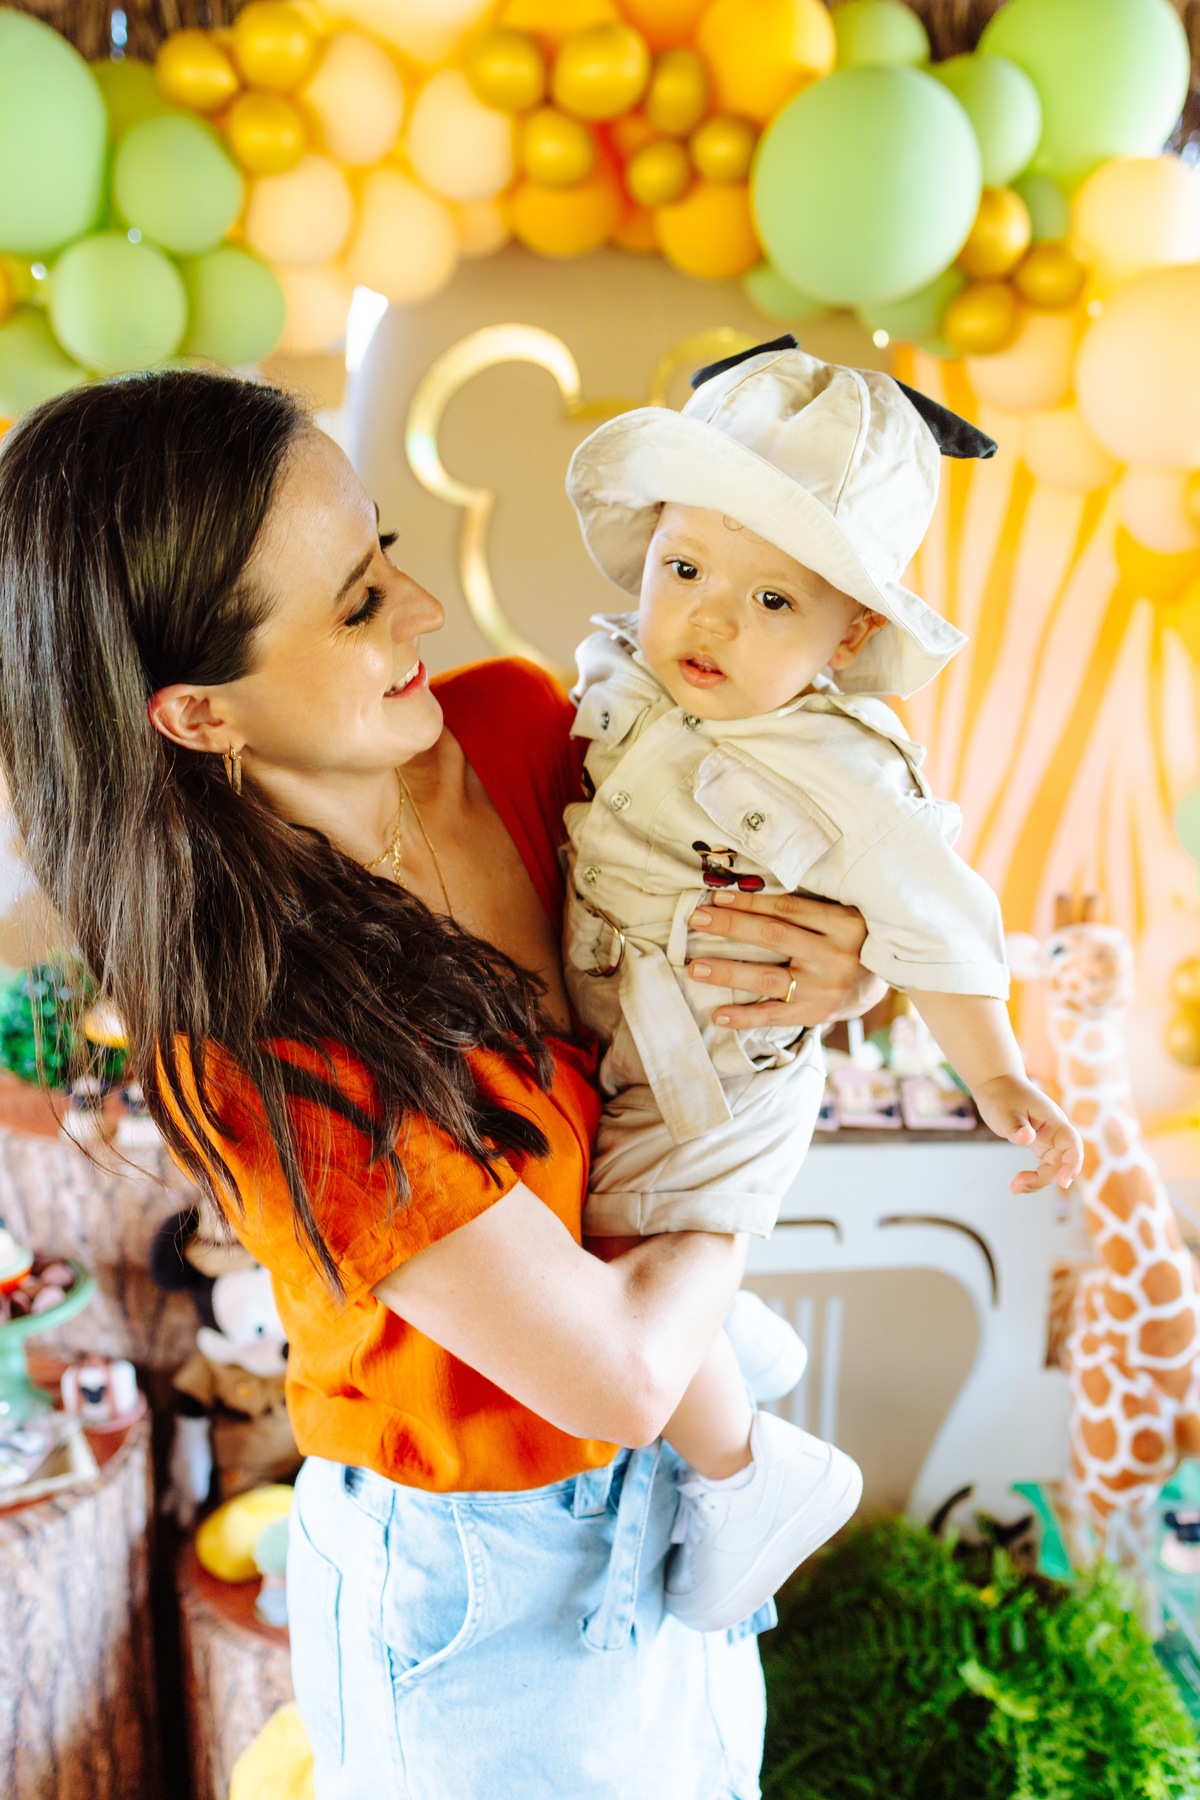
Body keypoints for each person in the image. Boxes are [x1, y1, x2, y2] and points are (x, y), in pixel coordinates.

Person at [0, 369, 885, 1800]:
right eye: (356, 605)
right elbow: (619, 1367)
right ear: (200, 717)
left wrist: (830, 971)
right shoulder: (258, 1036)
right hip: (482, 1590)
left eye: (385, 552)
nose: (422, 611)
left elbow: (735, 934)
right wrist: (761, 1113)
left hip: (672, 1504)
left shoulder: (531, 730)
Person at [560, 337, 1085, 1632]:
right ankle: (730, 1346)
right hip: (621, 1029)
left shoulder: (840, 765)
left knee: (629, 1248)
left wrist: (1000, 1073)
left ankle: (753, 1476)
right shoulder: (617, 677)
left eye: (774, 602)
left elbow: (939, 917)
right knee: (619, 1233)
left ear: (852, 634)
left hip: (718, 1068)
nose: (709, 619)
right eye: (684, 569)